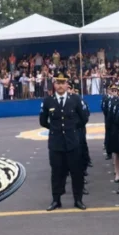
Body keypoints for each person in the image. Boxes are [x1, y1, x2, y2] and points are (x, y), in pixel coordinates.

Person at [40, 73, 89, 211]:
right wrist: (55, 129)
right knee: (56, 173)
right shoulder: (48, 101)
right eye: (58, 82)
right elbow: (43, 121)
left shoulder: (75, 99)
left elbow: (84, 118)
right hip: (56, 143)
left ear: (67, 84)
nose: (60, 85)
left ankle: (78, 200)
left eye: (63, 82)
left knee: (76, 172)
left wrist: (71, 127)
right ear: (54, 84)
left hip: (73, 142)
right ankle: (56, 200)